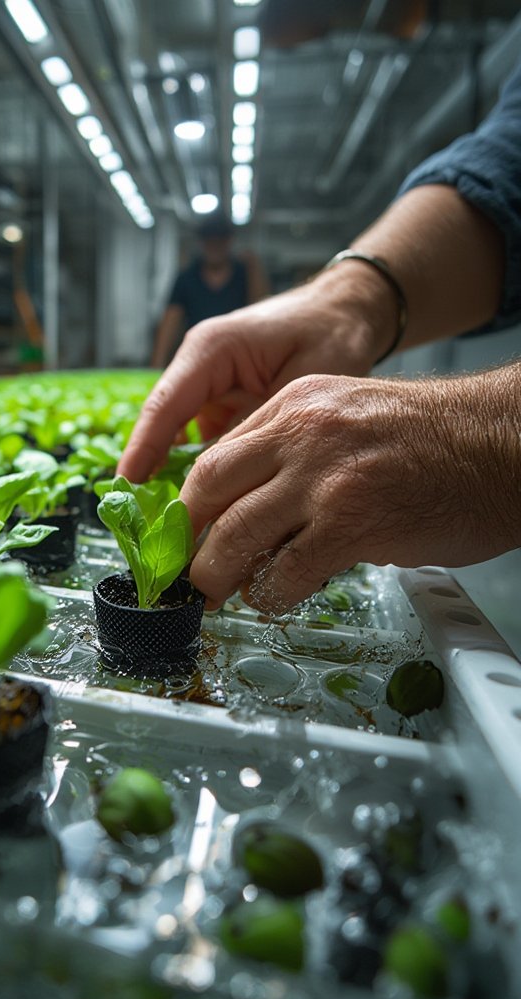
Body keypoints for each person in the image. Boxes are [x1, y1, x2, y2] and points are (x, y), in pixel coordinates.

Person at [119, 62, 521, 616]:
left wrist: (490, 438)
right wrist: (349, 305)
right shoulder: (188, 276)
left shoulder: (247, 264)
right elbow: (511, 159)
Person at [150, 212, 269, 368]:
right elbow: (170, 321)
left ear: (229, 241)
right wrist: (156, 364)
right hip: (196, 356)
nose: (214, 246)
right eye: (209, 240)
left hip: (238, 357)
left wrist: (254, 269)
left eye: (219, 240)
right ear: (202, 242)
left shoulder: (245, 274)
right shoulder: (187, 278)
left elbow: (261, 310)